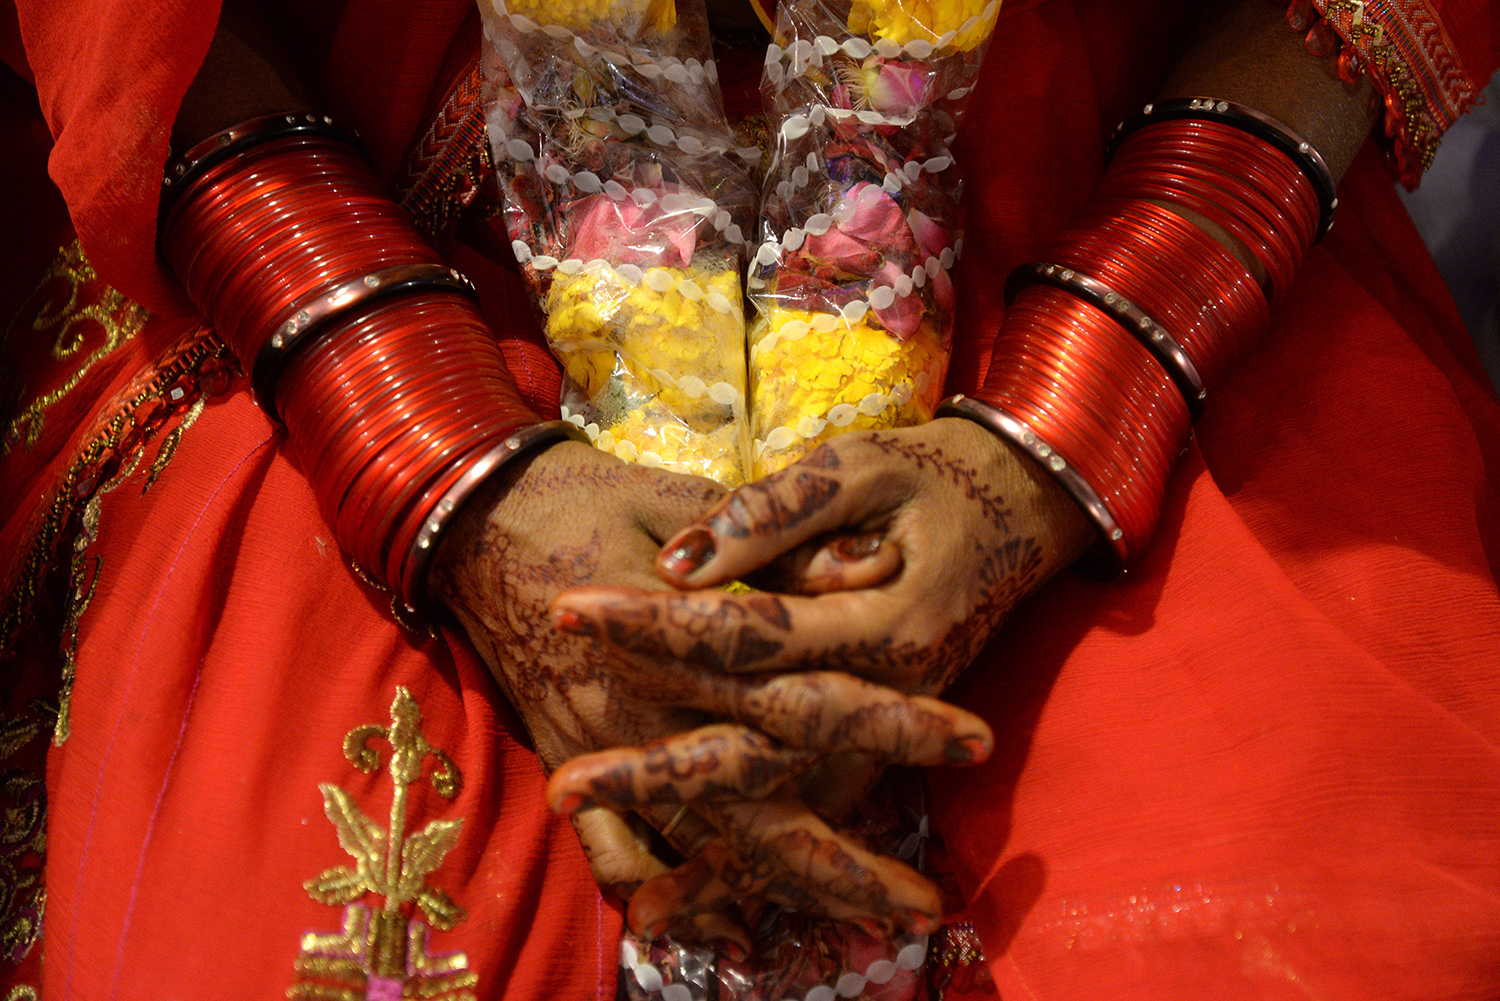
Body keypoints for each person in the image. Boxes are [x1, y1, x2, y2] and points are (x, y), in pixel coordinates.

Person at [1, 1, 1497, 1000]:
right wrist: (428, 446)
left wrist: (1073, 415)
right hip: (372, 202)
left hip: (1113, 172)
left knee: (1328, 931)